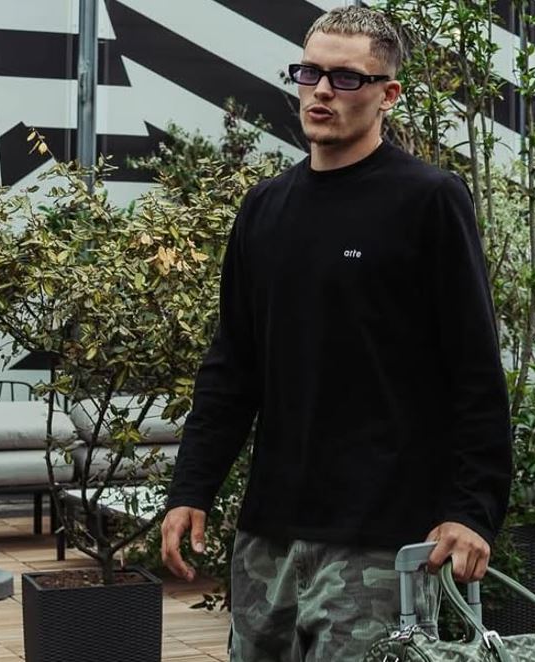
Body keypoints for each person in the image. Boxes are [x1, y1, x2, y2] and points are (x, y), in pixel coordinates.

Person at [157, 6, 511, 661]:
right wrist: (191, 490)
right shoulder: (265, 207)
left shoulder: (428, 201)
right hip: (268, 537)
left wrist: (472, 510)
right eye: (310, 73)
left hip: (380, 539)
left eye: (346, 78)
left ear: (387, 95)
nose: (321, 91)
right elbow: (232, 367)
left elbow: (474, 371)